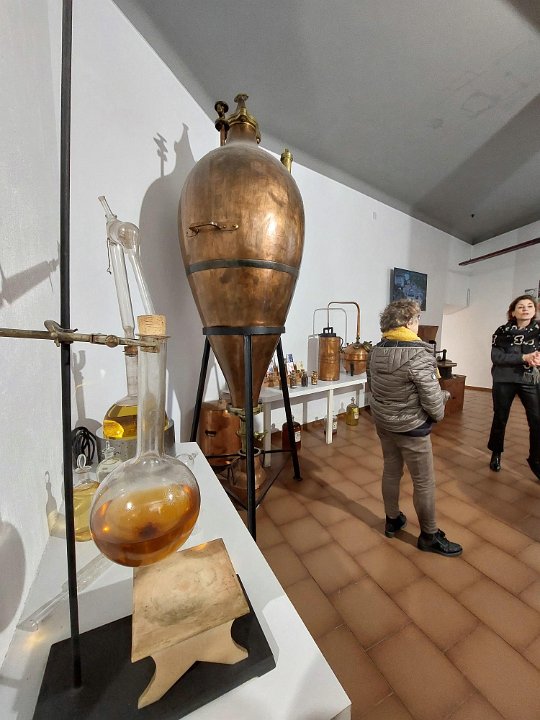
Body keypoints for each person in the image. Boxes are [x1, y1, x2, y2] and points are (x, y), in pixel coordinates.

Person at [367, 299, 462, 557]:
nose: (418, 324)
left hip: (384, 423)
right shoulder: (420, 354)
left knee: (391, 471)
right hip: (411, 427)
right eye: (417, 319)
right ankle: (429, 536)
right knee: (424, 482)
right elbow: (433, 403)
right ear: (409, 322)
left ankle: (392, 520)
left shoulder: (375, 351)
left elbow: (372, 386)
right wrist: (443, 400)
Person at [488, 294, 540, 479]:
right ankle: (496, 452)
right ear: (513, 312)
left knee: (537, 420)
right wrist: (523, 357)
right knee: (500, 418)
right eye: (520, 306)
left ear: (535, 310)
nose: (525, 309)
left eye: (529, 306)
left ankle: (535, 459)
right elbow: (497, 357)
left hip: (529, 380)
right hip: (504, 379)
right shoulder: (502, 332)